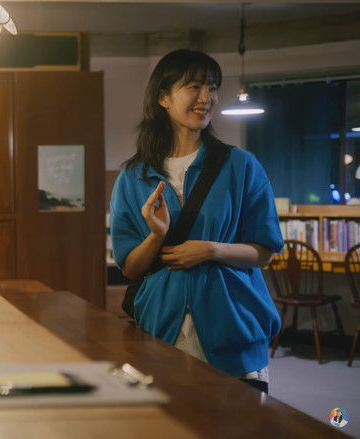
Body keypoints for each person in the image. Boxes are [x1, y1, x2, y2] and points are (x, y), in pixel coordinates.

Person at [110, 49, 283, 393]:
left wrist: (211, 250)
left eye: (213, 87)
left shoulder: (241, 166)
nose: (206, 98)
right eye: (194, 87)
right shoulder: (133, 176)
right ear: (163, 98)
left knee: (240, 420)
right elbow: (130, 267)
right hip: (161, 330)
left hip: (234, 331)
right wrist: (155, 235)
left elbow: (264, 252)